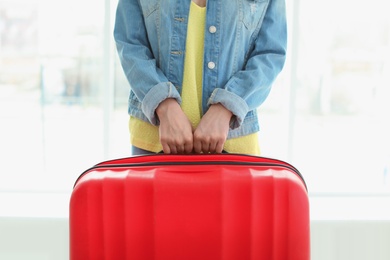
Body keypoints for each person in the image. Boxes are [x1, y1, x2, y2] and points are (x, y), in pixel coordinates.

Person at [114, 0, 287, 155]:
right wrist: (163, 104)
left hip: (234, 142)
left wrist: (227, 106)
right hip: (155, 139)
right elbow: (130, 43)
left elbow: (270, 53)